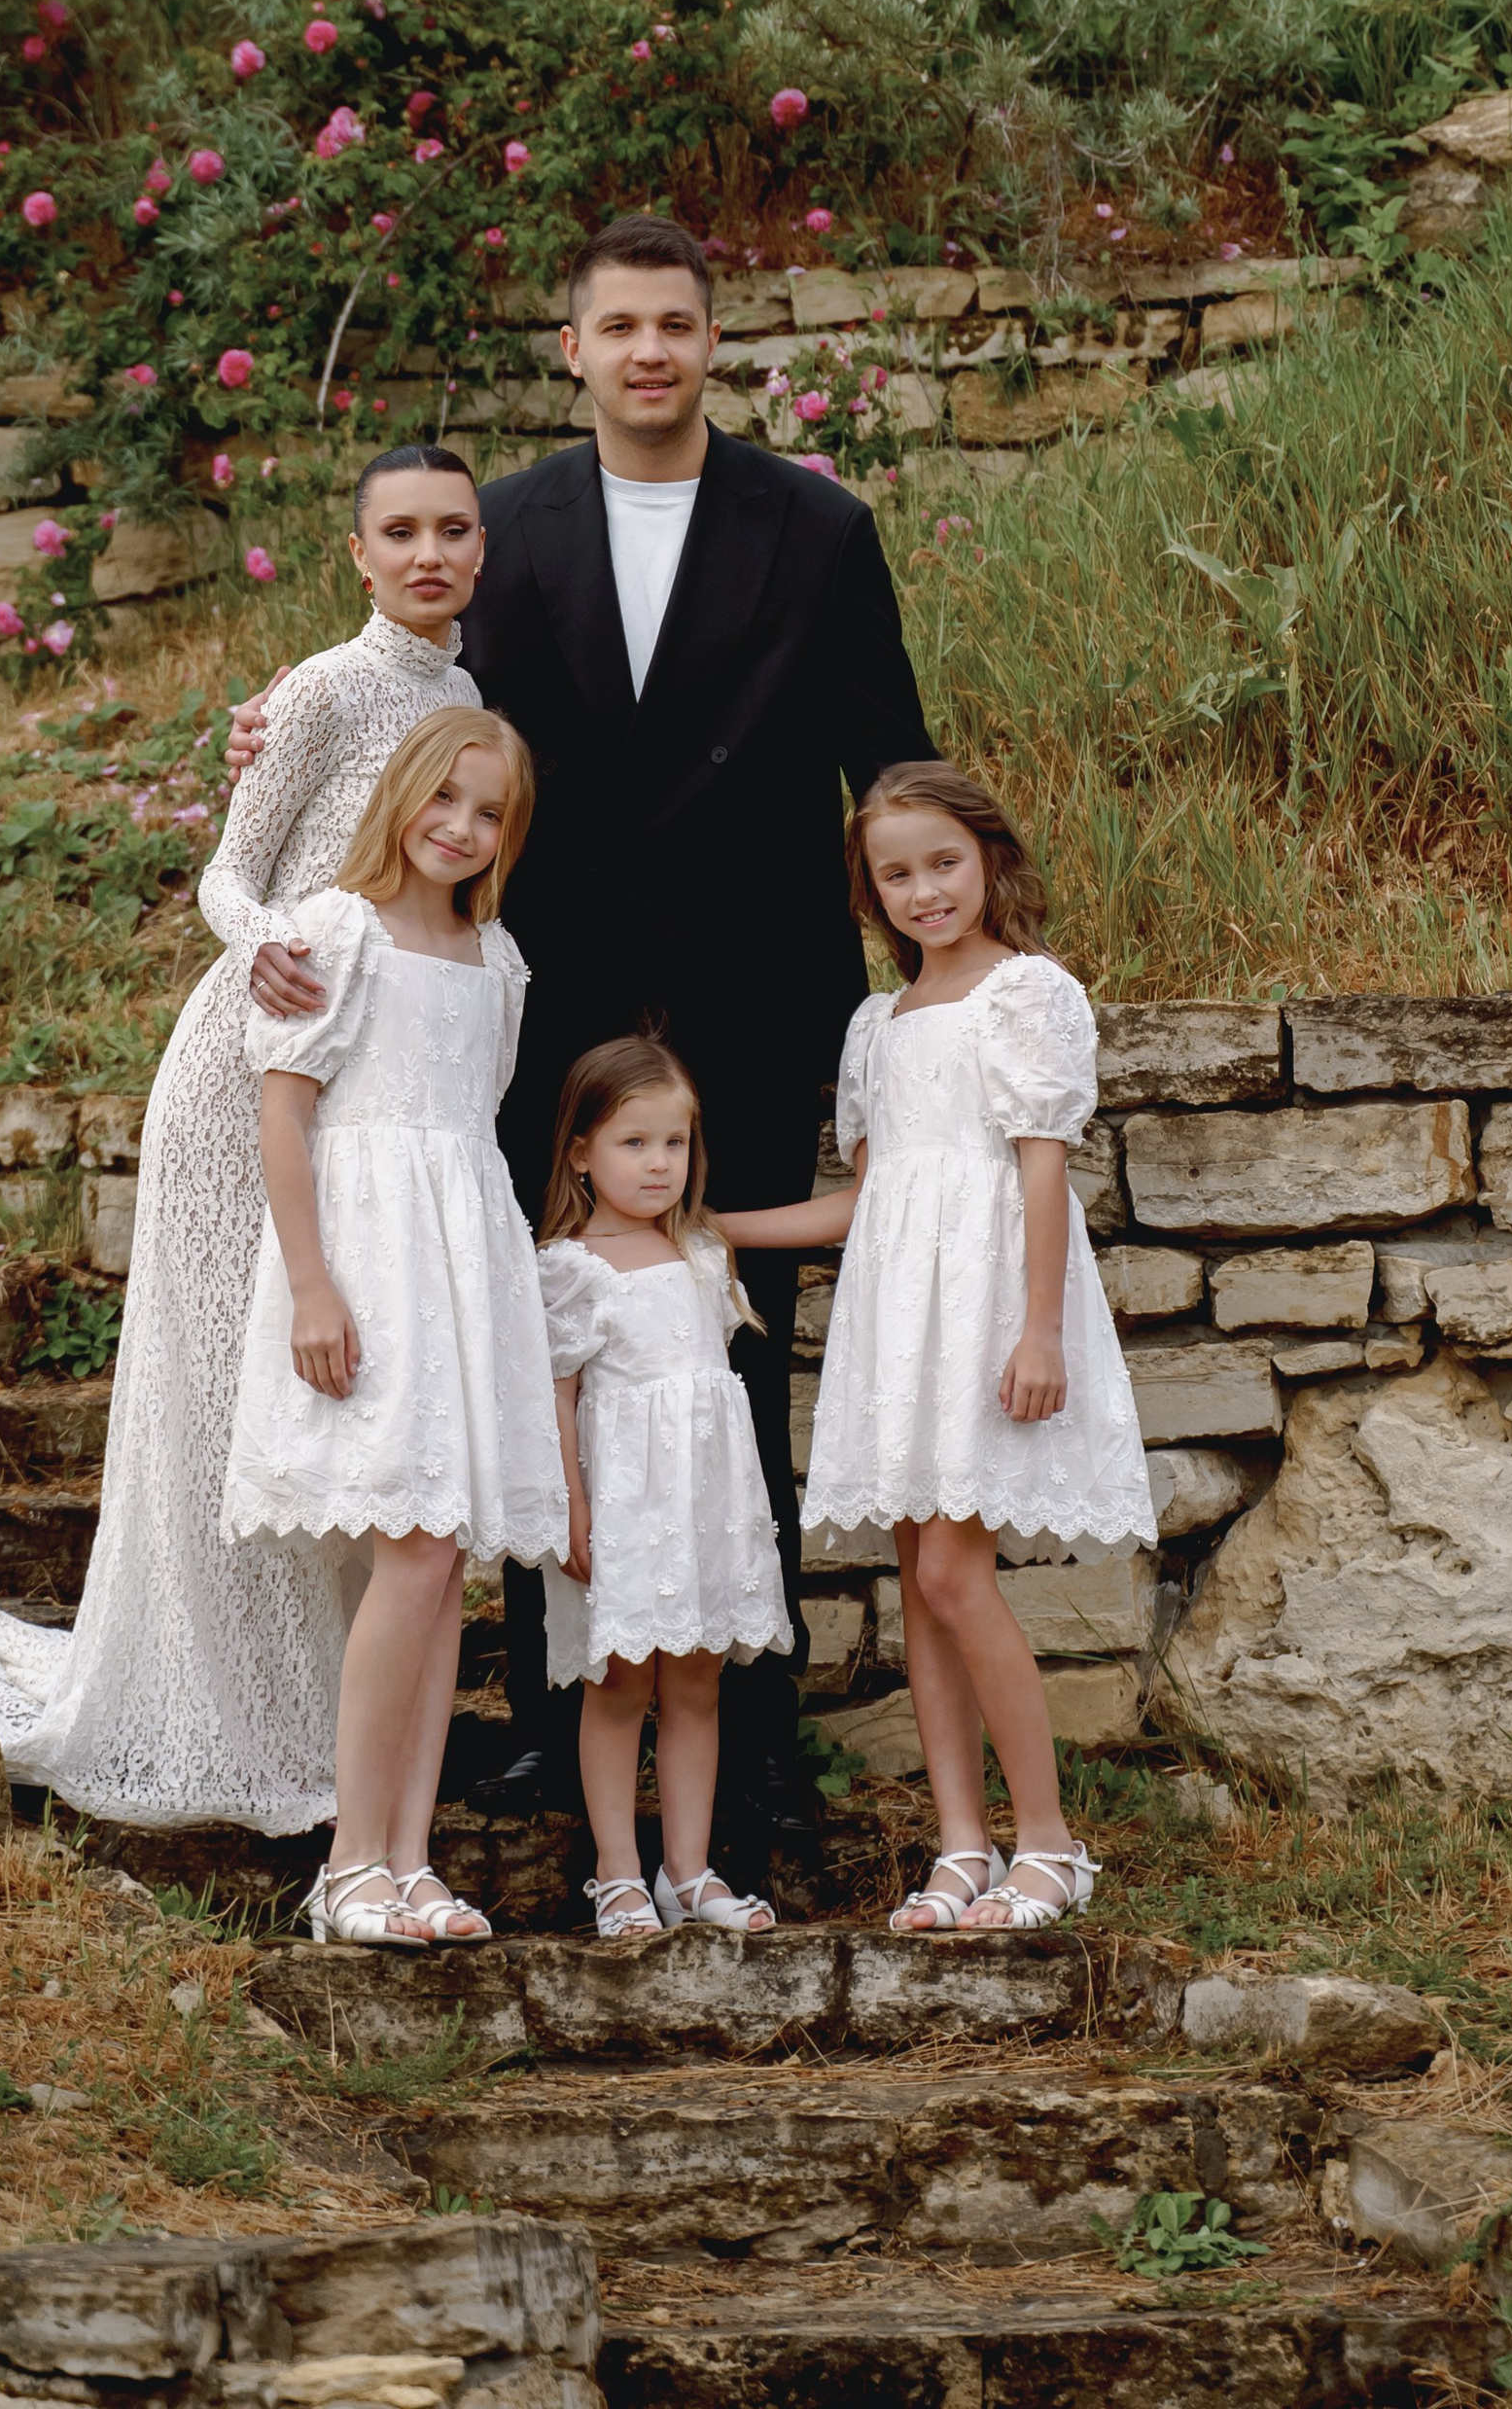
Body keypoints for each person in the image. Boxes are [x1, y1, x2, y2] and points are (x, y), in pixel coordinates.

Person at [231, 212, 933, 1846]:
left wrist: (914, 1006)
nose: (649, 353)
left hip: (759, 1012)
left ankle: (750, 1732)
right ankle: (560, 1725)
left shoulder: (819, 529)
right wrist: (287, 708)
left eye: (677, 324)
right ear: (575, 347)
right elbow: (399, 687)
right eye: (619, 327)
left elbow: (890, 760)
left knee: (732, 1362)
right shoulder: (512, 529)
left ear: (713, 336)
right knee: (549, 1362)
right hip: (546, 1018)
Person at [0, 445, 490, 1833]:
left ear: (482, 549)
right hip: (253, 1063)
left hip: (367, 1090)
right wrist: (274, 946)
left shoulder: (461, 696)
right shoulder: (321, 687)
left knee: (330, 1413)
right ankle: (213, 1716)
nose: (428, 554)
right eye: (399, 533)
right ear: (355, 555)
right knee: (229, 1407)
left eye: (453, 531)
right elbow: (227, 870)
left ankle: (319, 1734)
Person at [227, 706, 565, 1946]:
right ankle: (349, 1862)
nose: (461, 829)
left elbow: (470, 1138)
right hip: (364, 1266)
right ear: (401, 795)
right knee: (413, 1557)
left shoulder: (500, 963)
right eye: (445, 800)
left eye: (489, 814)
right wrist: (314, 1286)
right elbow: (284, 1113)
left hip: (461, 1268)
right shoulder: (336, 929)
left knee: (442, 1571)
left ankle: (410, 1862)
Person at [805, 759, 1153, 1935]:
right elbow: (863, 1199)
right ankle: (960, 1847)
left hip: (988, 1301)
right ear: (871, 893)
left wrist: (1039, 1327)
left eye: (942, 863)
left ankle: (1049, 1844)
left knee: (957, 1572)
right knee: (918, 1582)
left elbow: (1040, 1162)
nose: (923, 892)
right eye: (894, 875)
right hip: (898, 1314)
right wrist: (703, 1225)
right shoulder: (875, 1023)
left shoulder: (1027, 994)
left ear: (990, 859)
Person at [533, 1037, 800, 1937]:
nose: (658, 1164)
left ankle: (687, 1870)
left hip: (703, 1507)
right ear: (581, 1152)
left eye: (674, 1145)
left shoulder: (700, 1252)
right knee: (618, 1685)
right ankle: (617, 1873)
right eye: (633, 1143)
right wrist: (571, 1509)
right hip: (623, 1505)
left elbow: (705, 1404)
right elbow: (558, 1402)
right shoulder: (571, 1266)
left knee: (696, 1685)